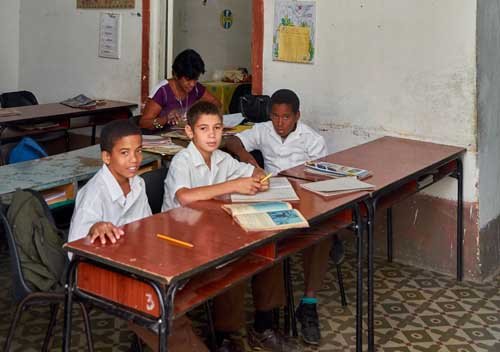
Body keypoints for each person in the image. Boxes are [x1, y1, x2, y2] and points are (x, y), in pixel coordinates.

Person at [162, 101, 303, 352]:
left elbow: (251, 171)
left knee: (268, 250)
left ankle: (264, 325)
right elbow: (184, 197)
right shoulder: (182, 161)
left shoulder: (221, 158)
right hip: (181, 239)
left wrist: (259, 176)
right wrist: (233, 186)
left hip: (212, 230)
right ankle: (225, 335)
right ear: (189, 132)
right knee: (233, 261)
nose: (212, 135)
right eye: (204, 129)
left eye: (217, 128)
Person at [67, 120, 208, 352]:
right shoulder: (93, 194)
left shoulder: (138, 184)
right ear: (106, 157)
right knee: (155, 303)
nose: (134, 159)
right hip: (96, 273)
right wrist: (95, 227)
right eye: (124, 153)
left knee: (179, 283)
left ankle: (163, 330)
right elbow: (74, 251)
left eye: (138, 151)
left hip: (132, 262)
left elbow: (145, 227)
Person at [225, 88, 343, 346]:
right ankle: (261, 317)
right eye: (275, 116)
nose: (280, 123)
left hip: (304, 199)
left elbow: (320, 180)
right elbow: (232, 142)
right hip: (271, 197)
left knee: (321, 235)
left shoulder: (312, 140)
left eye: (286, 117)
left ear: (297, 116)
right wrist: (248, 161)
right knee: (259, 241)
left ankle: (309, 303)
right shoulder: (264, 130)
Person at [140, 49, 221, 130]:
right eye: (187, 79)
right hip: (162, 137)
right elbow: (144, 123)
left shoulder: (196, 89)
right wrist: (165, 119)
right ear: (175, 74)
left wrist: (201, 111)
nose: (192, 84)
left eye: (196, 79)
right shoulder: (162, 91)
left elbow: (216, 103)